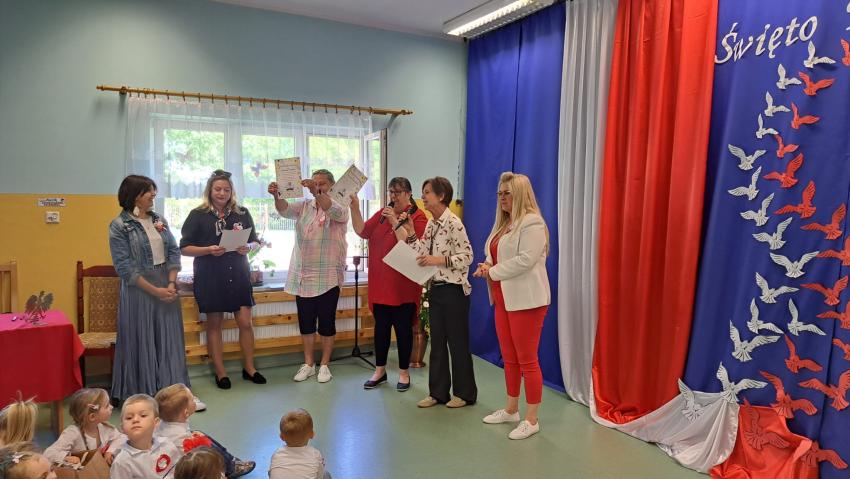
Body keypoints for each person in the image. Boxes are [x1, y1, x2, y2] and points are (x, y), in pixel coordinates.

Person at [108, 175, 203, 410]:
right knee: (142, 340)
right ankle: (144, 397)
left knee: (169, 341)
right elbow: (125, 268)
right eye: (148, 191)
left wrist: (170, 283)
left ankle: (178, 395)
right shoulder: (119, 226)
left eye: (153, 190)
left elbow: (173, 251)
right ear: (134, 196)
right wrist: (155, 291)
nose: (153, 195)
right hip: (139, 290)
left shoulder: (159, 220)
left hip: (165, 285)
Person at [473, 172, 550, 440]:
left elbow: (526, 260)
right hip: (503, 299)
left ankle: (532, 418)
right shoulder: (504, 224)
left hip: (527, 301)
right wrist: (487, 264)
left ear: (520, 195)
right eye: (499, 193)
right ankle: (511, 409)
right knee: (510, 358)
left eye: (507, 193)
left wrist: (492, 272)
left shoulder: (533, 222)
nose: (502, 198)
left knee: (528, 360)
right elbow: (493, 253)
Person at [394, 177, 477, 408]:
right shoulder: (432, 223)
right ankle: (438, 393)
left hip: (454, 291)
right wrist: (411, 232)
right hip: (436, 289)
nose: (423, 196)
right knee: (437, 343)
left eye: (427, 192)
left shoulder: (454, 223)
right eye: (423, 192)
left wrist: (438, 260)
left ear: (441, 196)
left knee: (458, 344)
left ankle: (464, 394)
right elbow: (422, 253)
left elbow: (467, 257)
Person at [181, 170, 265, 390]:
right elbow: (184, 248)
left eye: (226, 189)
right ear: (210, 190)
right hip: (210, 275)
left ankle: (250, 368)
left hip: (238, 273)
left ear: (232, 191)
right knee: (214, 325)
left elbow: (255, 241)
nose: (222, 193)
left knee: (245, 323)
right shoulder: (197, 215)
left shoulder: (242, 213)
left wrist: (249, 247)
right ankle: (221, 373)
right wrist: (208, 250)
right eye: (218, 189)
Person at [268, 170, 349, 384]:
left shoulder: (340, 206)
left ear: (332, 186)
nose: (318, 186)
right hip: (303, 276)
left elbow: (332, 210)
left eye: (323, 184)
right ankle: (309, 364)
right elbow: (284, 210)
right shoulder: (305, 206)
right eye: (315, 183)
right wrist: (277, 196)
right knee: (306, 323)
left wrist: (316, 192)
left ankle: (325, 365)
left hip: (328, 277)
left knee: (327, 323)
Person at [349, 177, 427, 391]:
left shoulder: (417, 217)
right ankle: (380, 370)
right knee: (381, 330)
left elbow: (410, 245)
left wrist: (394, 221)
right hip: (380, 284)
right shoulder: (382, 214)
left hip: (403, 286)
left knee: (403, 331)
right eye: (391, 191)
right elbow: (362, 230)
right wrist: (354, 208)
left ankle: (403, 373)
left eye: (398, 192)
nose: (393, 196)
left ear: (409, 194)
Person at [154, 384, 254, 478]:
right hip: (186, 466)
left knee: (198, 433)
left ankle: (231, 461)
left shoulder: (167, 422)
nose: (195, 399)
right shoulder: (180, 435)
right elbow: (190, 454)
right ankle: (231, 468)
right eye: (192, 399)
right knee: (205, 444)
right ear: (186, 412)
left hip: (178, 454)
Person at [44, 388, 124, 464]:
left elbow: (121, 437)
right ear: (92, 417)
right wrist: (65, 457)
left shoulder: (104, 427)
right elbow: (48, 454)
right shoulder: (73, 432)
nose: (111, 407)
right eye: (107, 406)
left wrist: (110, 451)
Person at [111, 394, 182, 478]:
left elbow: (179, 471)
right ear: (122, 428)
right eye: (129, 418)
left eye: (143, 415)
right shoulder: (122, 462)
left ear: (156, 422)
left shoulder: (167, 445)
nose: (135, 420)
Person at [269, 409, 329, 479]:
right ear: (312, 434)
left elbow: (271, 474)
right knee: (326, 474)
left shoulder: (277, 454)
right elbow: (319, 477)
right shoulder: (315, 454)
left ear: (281, 437)